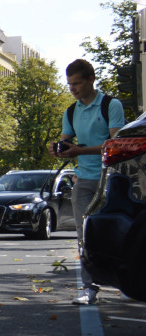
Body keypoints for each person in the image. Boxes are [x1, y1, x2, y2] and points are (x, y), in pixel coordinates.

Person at [53, 58, 125, 305]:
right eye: (70, 84)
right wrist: (60, 149)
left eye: (77, 83)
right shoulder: (71, 111)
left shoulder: (110, 105)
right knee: (84, 236)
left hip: (111, 180)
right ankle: (89, 288)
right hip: (83, 180)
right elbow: (66, 141)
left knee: (117, 232)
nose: (72, 88)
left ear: (91, 80)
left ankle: (126, 281)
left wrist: (79, 151)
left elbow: (115, 146)